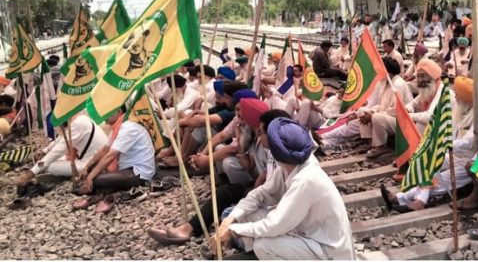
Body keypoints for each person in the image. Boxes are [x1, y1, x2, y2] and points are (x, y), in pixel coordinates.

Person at [212, 117, 355, 260]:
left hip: (329, 251)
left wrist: (233, 231)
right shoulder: (290, 166)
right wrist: (231, 218)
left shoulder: (305, 179)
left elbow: (274, 225)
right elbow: (261, 194)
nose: (260, 139)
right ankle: (255, 256)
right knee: (245, 215)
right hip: (308, 234)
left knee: (264, 245)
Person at [148, 109, 289, 246]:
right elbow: (253, 168)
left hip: (278, 204)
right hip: (265, 188)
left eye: (262, 132)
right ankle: (187, 229)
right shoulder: (250, 133)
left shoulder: (284, 156)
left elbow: (276, 193)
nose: (237, 115)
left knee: (230, 212)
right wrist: (240, 141)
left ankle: (227, 240)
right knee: (225, 192)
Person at [383, 77, 478, 212]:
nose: (455, 96)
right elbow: (454, 134)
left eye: (457, 93)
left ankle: (408, 199)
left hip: (476, 158)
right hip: (458, 153)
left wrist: (443, 145)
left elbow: (468, 143)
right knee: (425, 162)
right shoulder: (465, 109)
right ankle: (407, 199)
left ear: (466, 97)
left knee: (442, 179)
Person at [74, 106, 156, 213]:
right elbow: (104, 150)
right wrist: (87, 167)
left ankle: (101, 195)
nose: (104, 116)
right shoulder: (118, 127)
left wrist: (89, 178)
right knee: (93, 169)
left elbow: (110, 155)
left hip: (139, 172)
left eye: (108, 112)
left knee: (96, 178)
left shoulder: (128, 128)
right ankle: (99, 192)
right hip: (125, 168)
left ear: (119, 111)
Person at [369, 59, 441, 157]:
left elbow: (429, 116)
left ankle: (412, 155)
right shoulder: (428, 88)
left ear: (433, 76)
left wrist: (407, 114)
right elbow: (413, 104)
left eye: (424, 76)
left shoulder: (441, 91)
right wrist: (407, 109)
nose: (420, 80)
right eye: (419, 77)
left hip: (440, 129)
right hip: (400, 117)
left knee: (419, 123)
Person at [17, 112, 109, 185]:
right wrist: (44, 152)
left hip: (90, 164)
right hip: (93, 159)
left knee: (50, 166)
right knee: (49, 160)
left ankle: (57, 175)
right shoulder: (81, 119)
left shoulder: (77, 125)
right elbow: (60, 140)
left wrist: (32, 172)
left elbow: (57, 150)